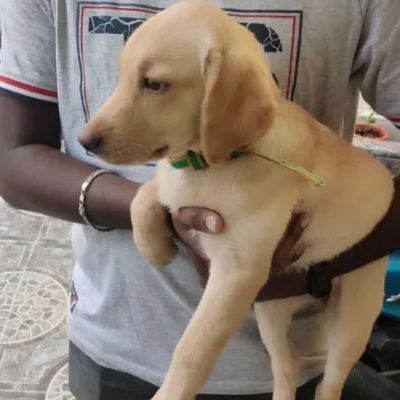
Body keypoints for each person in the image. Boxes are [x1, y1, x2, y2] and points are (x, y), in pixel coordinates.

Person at [0, 1, 399, 399]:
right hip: (108, 338)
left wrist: (320, 265)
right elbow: (12, 158)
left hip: (303, 355)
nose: (92, 134)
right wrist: (148, 210)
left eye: (153, 84)